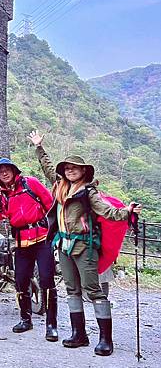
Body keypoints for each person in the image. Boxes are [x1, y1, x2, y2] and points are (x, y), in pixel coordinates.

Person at [29, 129, 142, 356]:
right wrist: (39, 147)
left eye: (74, 168)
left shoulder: (89, 193)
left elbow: (107, 211)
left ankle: (105, 339)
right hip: (64, 246)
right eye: (67, 168)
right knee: (72, 289)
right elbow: (48, 168)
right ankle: (79, 334)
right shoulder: (60, 186)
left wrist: (127, 212)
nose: (69, 170)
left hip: (84, 246)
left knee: (94, 290)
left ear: (83, 172)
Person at [0, 157, 57, 340]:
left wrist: (55, 233)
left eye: (7, 169)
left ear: (14, 170)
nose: (4, 173)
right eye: (0, 171)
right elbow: (0, 216)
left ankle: (51, 325)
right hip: (21, 241)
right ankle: (25, 319)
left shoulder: (30, 183)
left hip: (42, 238)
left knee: (46, 278)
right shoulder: (2, 193)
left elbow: (50, 204)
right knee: (21, 280)